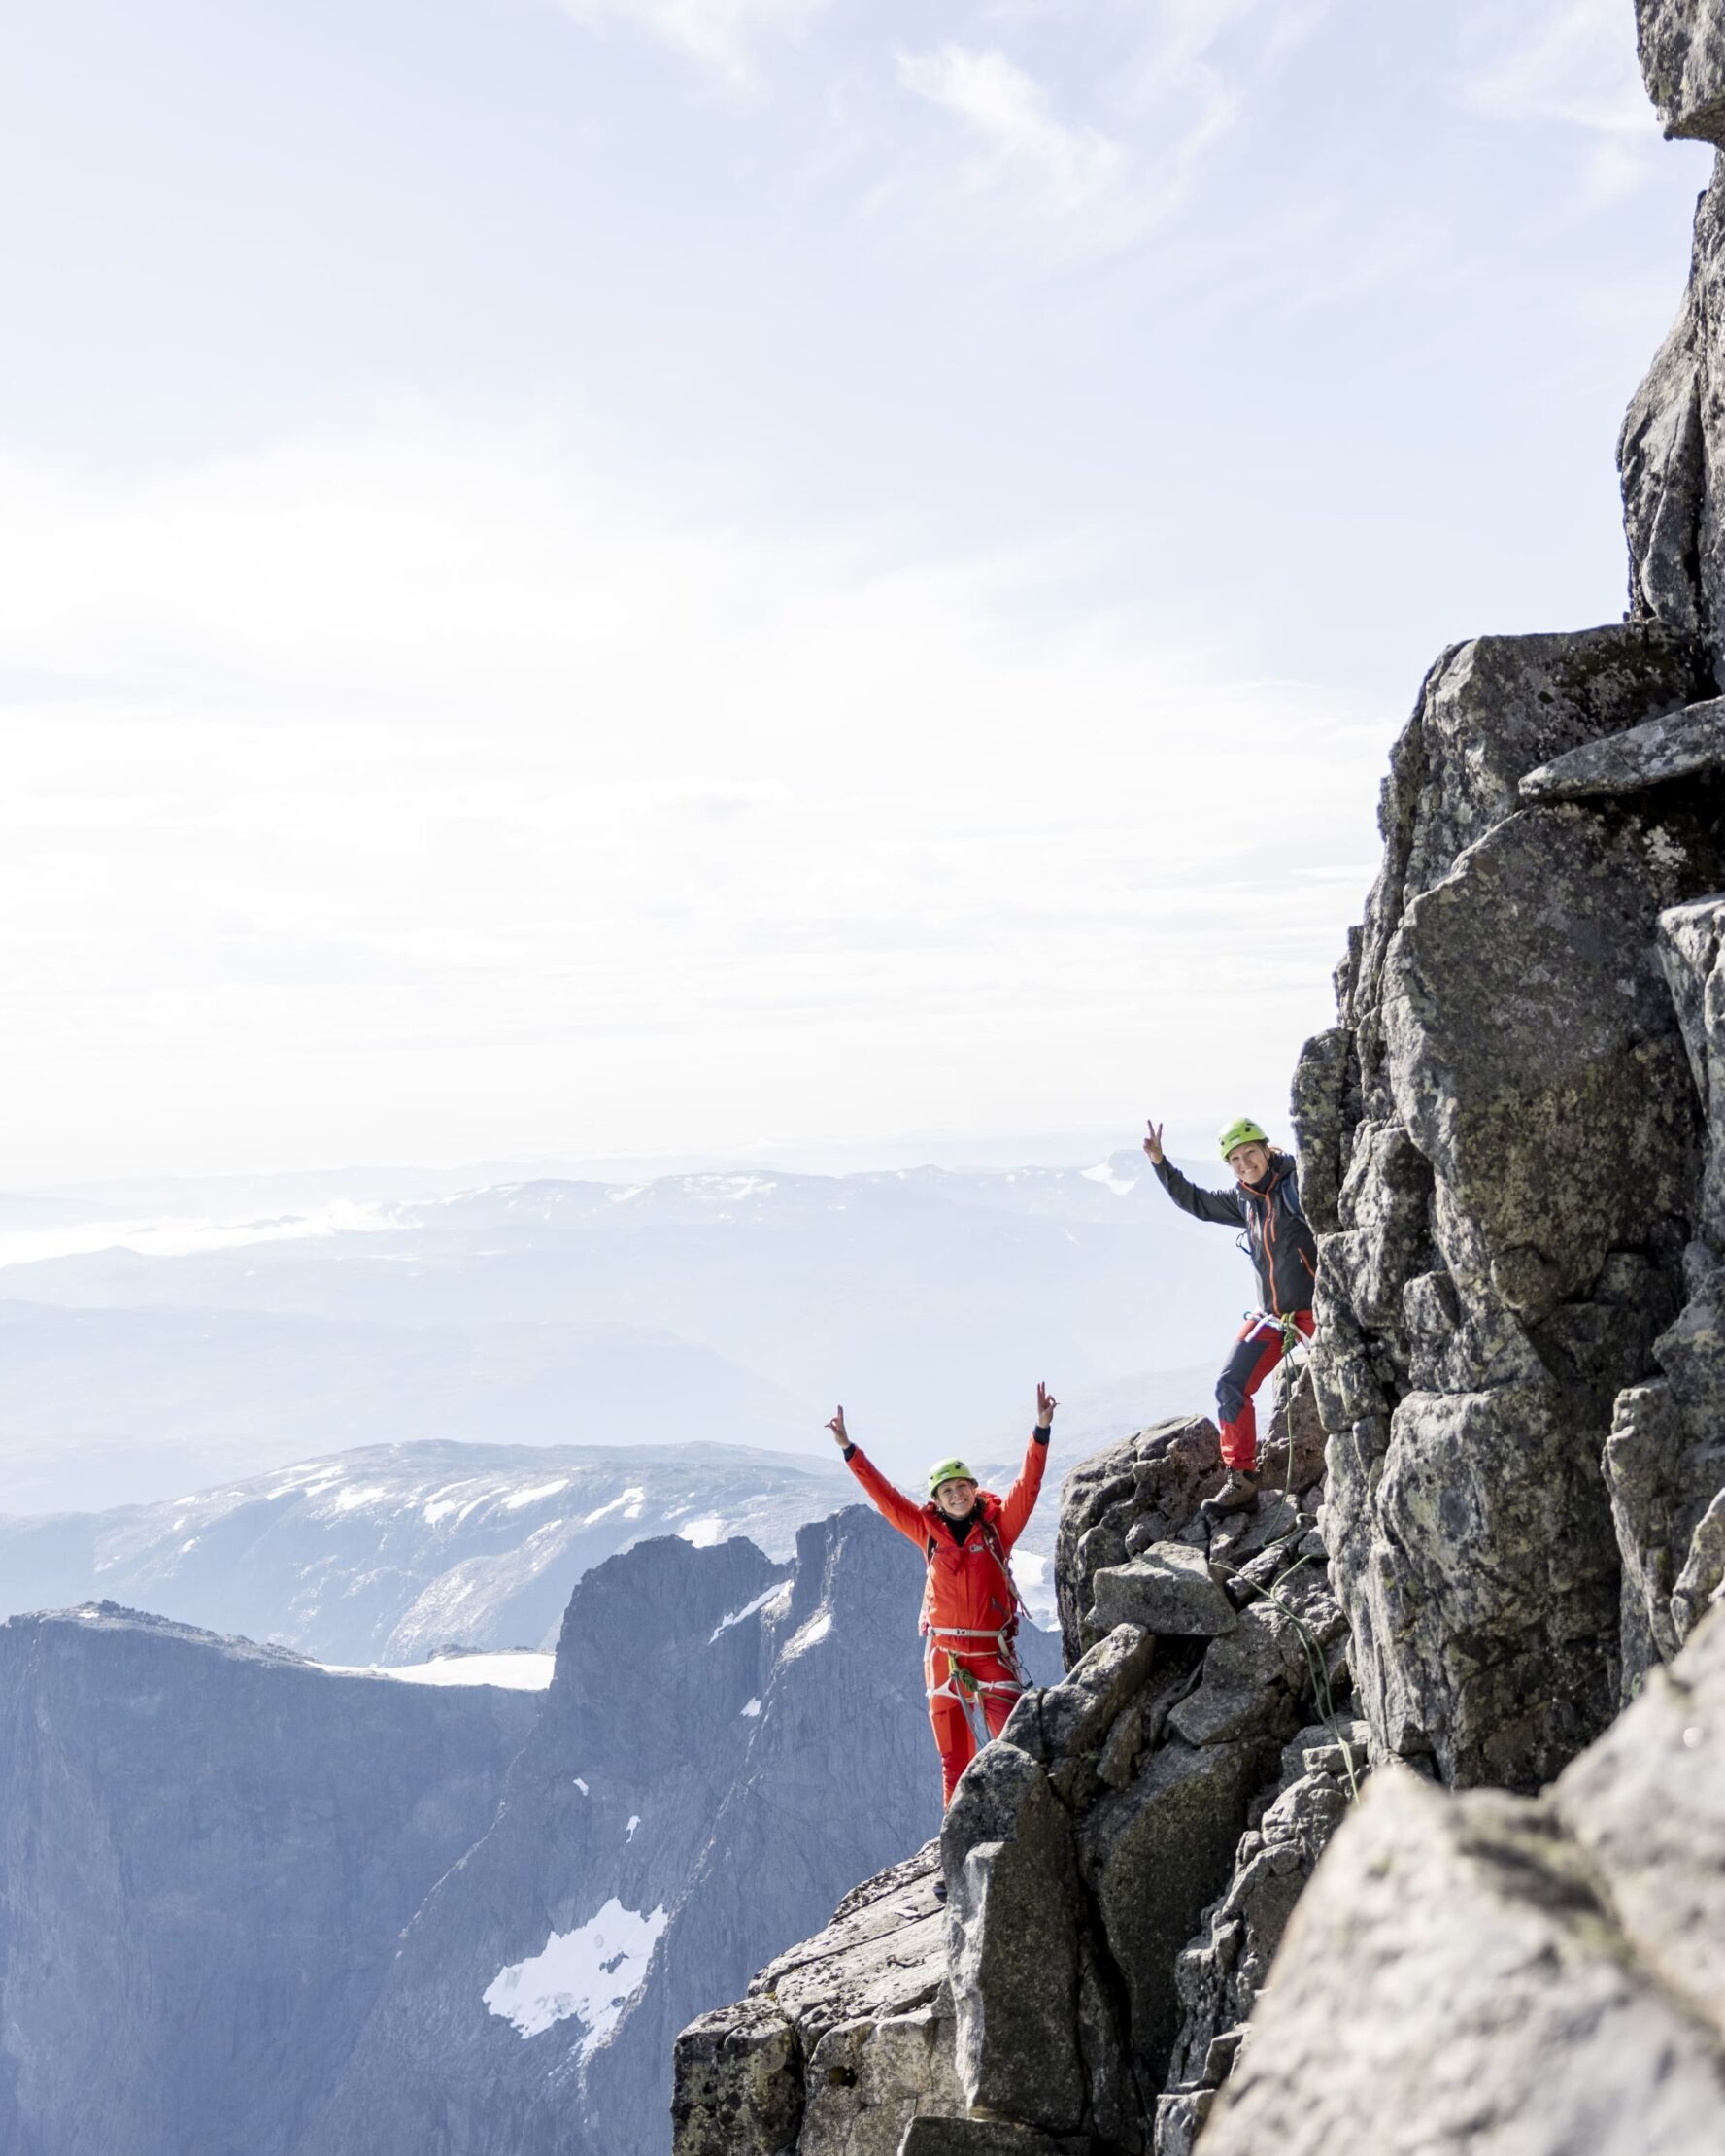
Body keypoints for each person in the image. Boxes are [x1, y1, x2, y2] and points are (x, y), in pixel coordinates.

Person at [827, 1385, 1056, 1808]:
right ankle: (956, 1842)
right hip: (944, 1656)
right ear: (936, 1500)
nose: (956, 1495)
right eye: (946, 1491)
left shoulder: (997, 1530)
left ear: (973, 1488)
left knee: (1014, 1747)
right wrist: (849, 1450)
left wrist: (1040, 1431)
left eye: (961, 1487)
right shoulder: (925, 1533)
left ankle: (1025, 1824)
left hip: (990, 1654)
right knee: (955, 1761)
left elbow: (1028, 1486)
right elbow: (884, 1497)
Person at [1142, 1115, 1318, 1512]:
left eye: (1249, 1154)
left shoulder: (1296, 1187)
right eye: (1235, 1159)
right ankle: (1240, 1479)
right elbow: (1198, 1202)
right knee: (1229, 1385)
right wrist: (1160, 1164)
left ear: (1266, 1150)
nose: (1244, 1164)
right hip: (1273, 1316)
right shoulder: (1246, 1200)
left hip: (1315, 1311)